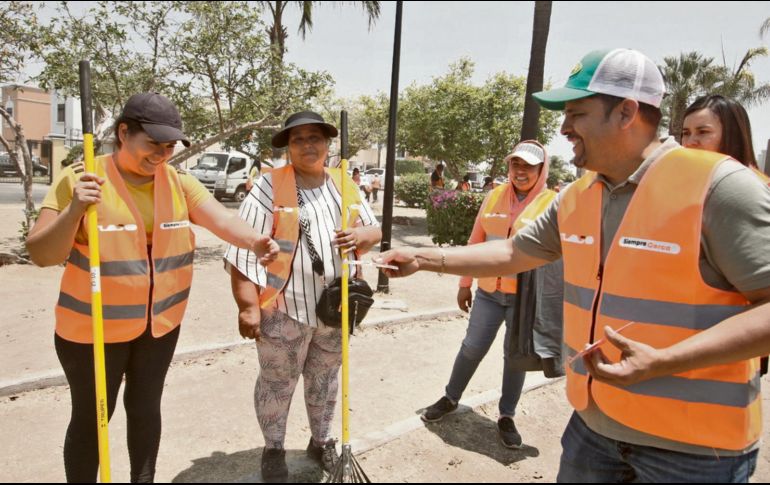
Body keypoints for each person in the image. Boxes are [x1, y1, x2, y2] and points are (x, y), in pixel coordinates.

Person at [378, 48, 770, 483]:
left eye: (577, 114)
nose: (564, 128)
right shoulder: (579, 195)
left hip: (693, 454)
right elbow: (513, 252)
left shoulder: (722, 187)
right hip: (594, 428)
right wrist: (423, 258)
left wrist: (665, 361)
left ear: (626, 112)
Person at [25, 92, 279, 483]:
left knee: (145, 410)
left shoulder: (178, 182)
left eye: (169, 146)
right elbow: (42, 252)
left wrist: (256, 241)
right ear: (124, 132)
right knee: (93, 417)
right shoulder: (81, 178)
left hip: (157, 327)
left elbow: (223, 222)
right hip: (90, 330)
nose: (161, 154)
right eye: (152, 145)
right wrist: (75, 208)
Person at [224, 111, 382, 482]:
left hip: (338, 308)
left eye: (315, 138)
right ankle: (274, 448)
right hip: (284, 309)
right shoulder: (268, 187)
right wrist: (248, 307)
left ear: (328, 144)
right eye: (298, 139)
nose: (308, 145)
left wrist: (363, 237)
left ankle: (321, 440)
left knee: (325, 381)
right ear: (288, 148)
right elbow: (243, 251)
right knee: (277, 382)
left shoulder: (346, 184)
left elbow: (373, 229)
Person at [420, 140, 564, 450]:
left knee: (516, 359)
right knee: (472, 348)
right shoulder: (494, 196)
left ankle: (506, 416)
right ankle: (450, 397)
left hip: (524, 299)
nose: (521, 171)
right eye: (516, 164)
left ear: (542, 169)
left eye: (529, 166)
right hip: (488, 292)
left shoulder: (552, 203)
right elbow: (476, 241)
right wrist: (464, 283)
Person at [682, 94, 769, 182]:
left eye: (703, 132)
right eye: (686, 133)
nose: (689, 142)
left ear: (732, 135)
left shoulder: (756, 188)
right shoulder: (683, 179)